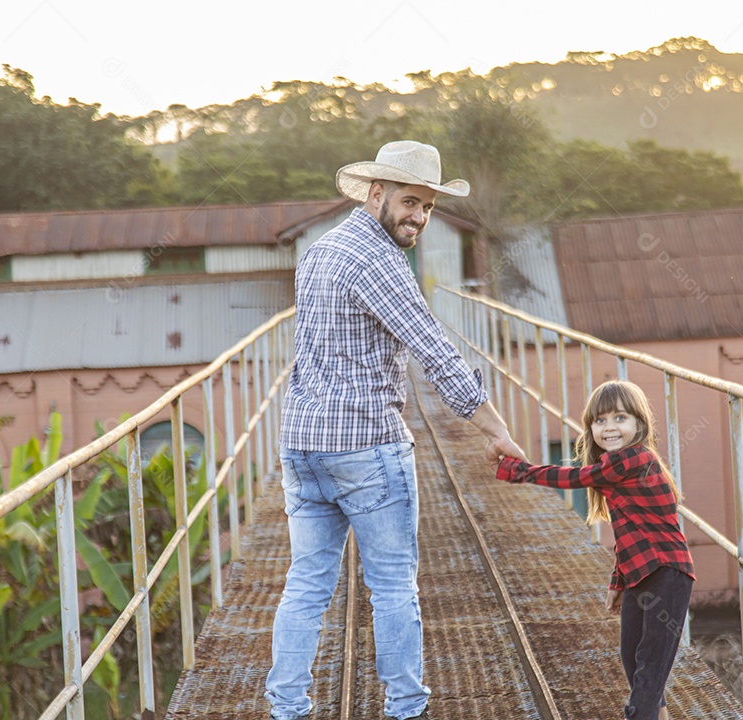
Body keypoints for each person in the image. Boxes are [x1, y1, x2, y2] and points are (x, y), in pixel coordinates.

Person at [266, 140, 525, 720]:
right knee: (393, 587)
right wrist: (495, 428)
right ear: (376, 192)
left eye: (428, 207)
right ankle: (406, 709)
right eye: (410, 201)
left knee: (307, 585)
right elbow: (434, 348)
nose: (419, 217)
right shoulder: (378, 261)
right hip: (364, 445)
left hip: (304, 444)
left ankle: (286, 709)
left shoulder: (323, 249)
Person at [495, 380, 694, 720]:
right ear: (589, 428)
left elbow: (573, 477)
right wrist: (617, 583)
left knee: (649, 670)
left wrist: (518, 471)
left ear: (639, 425)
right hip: (640, 574)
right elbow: (629, 534)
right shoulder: (617, 470)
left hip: (667, 575)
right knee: (631, 658)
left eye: (620, 418)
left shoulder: (633, 459)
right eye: (599, 421)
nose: (609, 428)